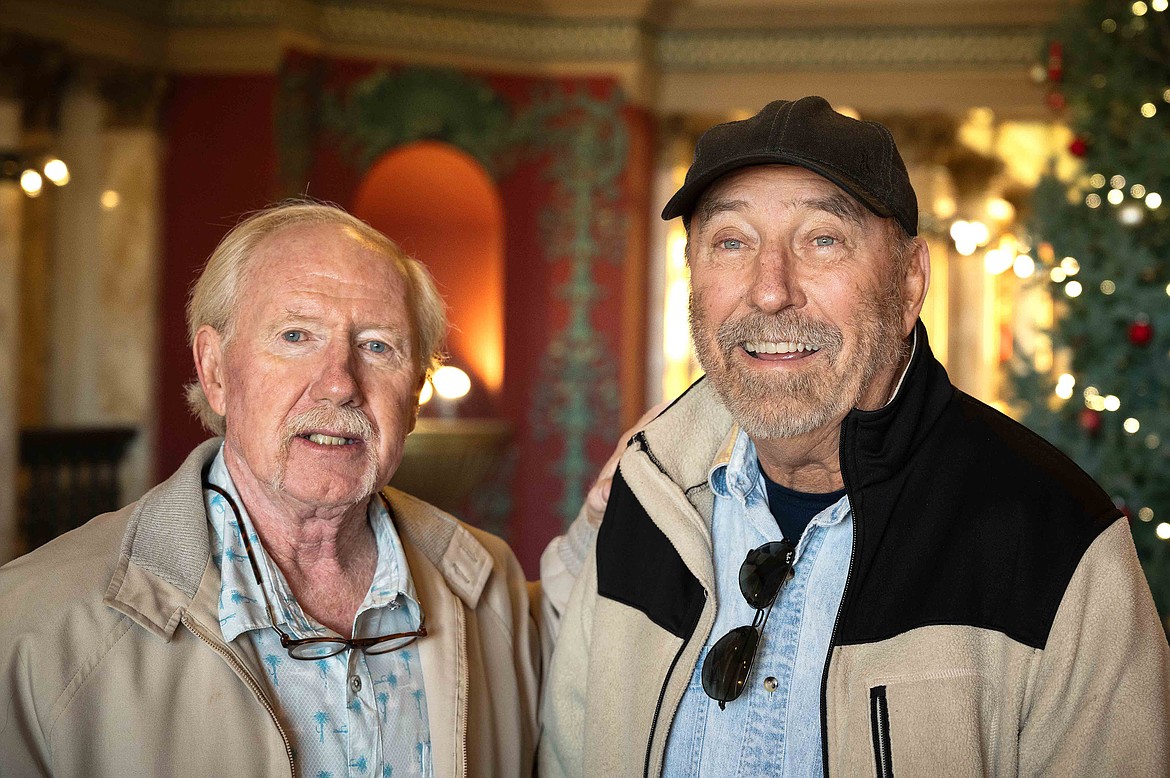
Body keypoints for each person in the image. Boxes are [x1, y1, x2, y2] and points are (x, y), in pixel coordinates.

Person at [539, 96, 1170, 776]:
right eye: (731, 242)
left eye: (822, 240)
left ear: (907, 285)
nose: (770, 291)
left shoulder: (1057, 539)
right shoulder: (646, 494)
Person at [0, 202, 540, 776]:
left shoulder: (490, 587)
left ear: (414, 394)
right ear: (215, 372)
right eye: (295, 335)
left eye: (378, 346)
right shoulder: (35, 630)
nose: (338, 384)